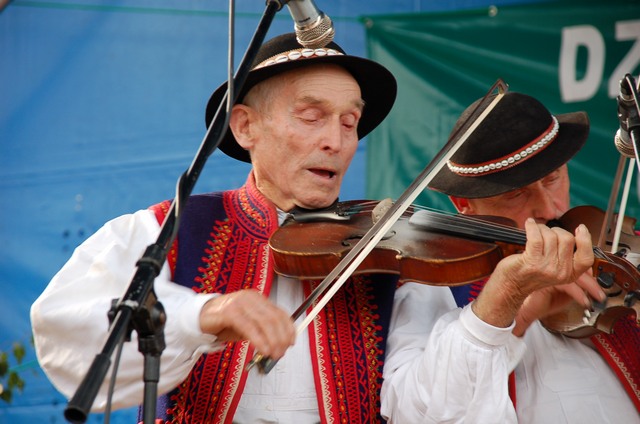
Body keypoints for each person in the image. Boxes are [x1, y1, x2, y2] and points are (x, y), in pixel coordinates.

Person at [30, 33, 596, 423]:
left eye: (350, 122)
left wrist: (499, 300)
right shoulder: (165, 229)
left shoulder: (392, 254)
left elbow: (433, 410)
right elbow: (65, 331)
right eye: (311, 116)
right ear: (245, 126)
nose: (337, 141)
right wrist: (203, 313)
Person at [380, 91, 640, 423]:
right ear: (464, 205)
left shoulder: (608, 246)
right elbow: (412, 411)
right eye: (517, 194)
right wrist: (513, 309)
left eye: (553, 179)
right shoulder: (432, 286)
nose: (549, 209)